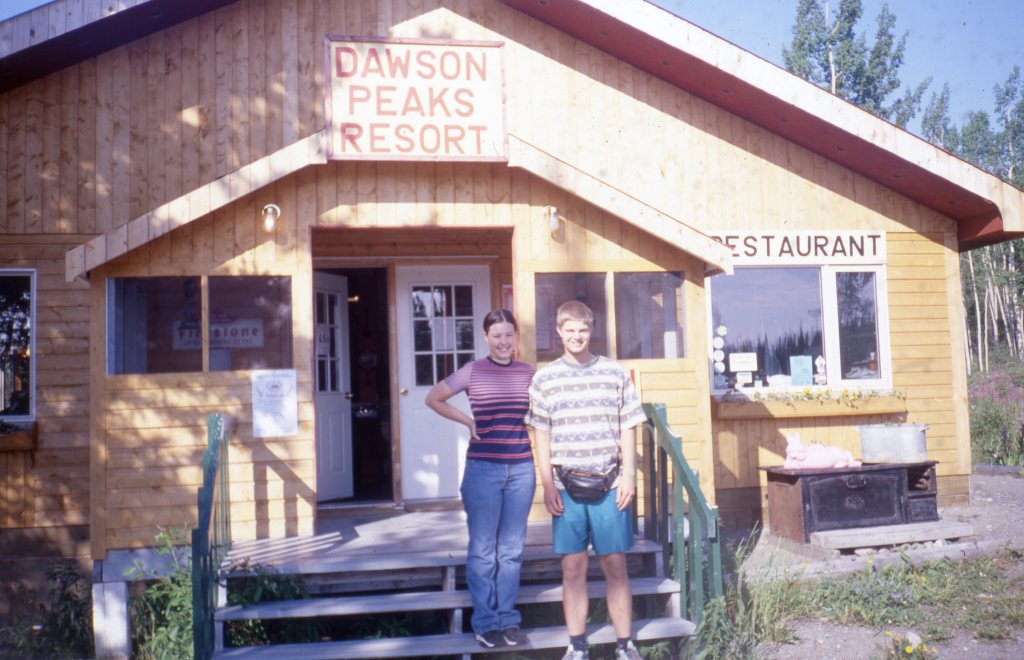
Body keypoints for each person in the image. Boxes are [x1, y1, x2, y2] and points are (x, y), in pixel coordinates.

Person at [526, 300, 647, 660]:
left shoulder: (614, 373)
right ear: (558, 331)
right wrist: (547, 484)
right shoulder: (545, 378)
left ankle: (625, 644)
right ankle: (577, 645)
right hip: (566, 488)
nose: (576, 336)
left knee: (615, 564)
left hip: (610, 485)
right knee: (572, 567)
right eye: (569, 330)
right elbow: (541, 433)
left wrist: (628, 475)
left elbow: (629, 425)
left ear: (592, 329)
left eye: (582, 329)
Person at [425, 308, 536, 649]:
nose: (503, 341)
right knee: (484, 549)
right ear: (486, 337)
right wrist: (468, 421)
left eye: (508, 335)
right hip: (483, 469)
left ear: (516, 337)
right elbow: (433, 398)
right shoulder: (472, 371)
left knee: (512, 550)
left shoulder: (529, 373)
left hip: (521, 469)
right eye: (496, 335)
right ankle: (486, 623)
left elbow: (545, 413)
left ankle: (508, 620)